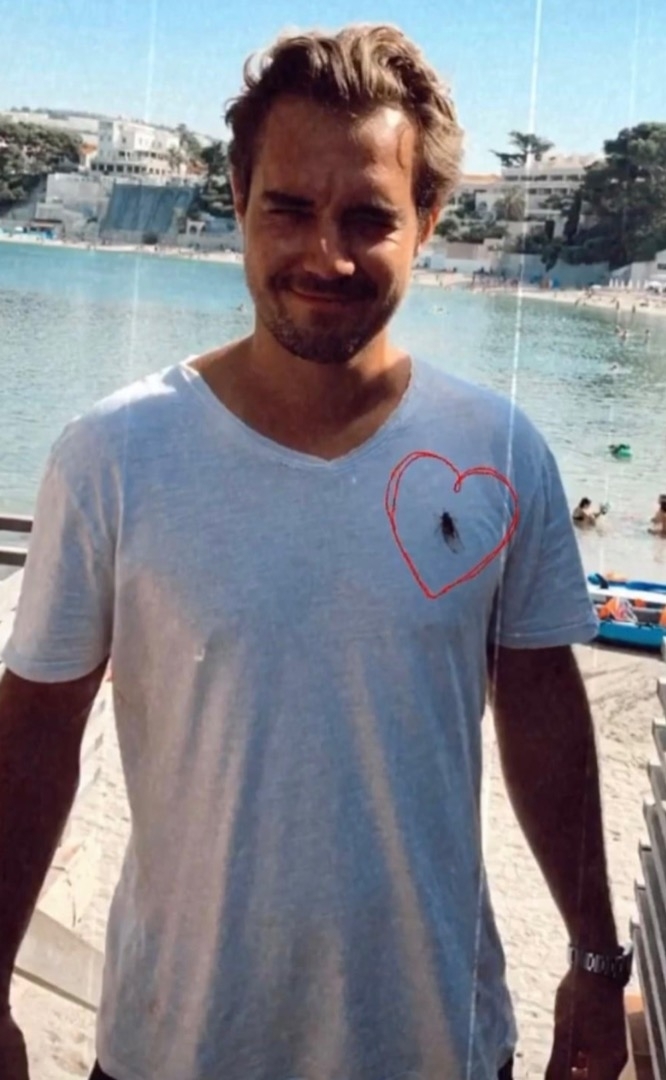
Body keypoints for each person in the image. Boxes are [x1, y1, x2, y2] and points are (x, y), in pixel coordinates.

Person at [0, 23, 630, 1080]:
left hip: (439, 1043)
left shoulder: (500, 450)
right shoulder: (115, 454)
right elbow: (33, 735)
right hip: (176, 1047)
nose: (326, 256)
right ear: (238, 199)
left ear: (428, 220)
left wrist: (596, 957)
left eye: (369, 217)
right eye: (289, 208)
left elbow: (544, 716)